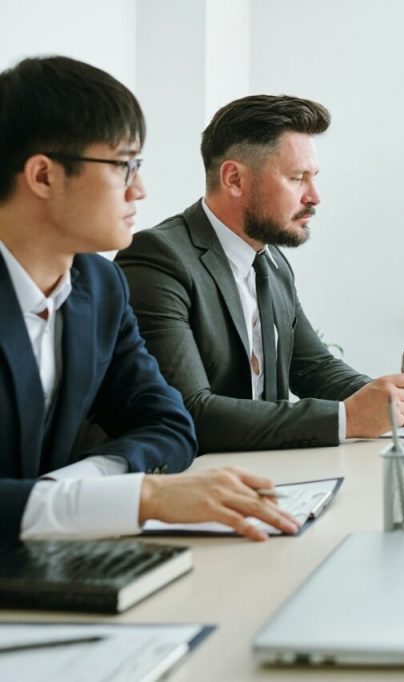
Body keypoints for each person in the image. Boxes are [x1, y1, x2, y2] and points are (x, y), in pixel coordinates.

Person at [0, 56, 298, 543]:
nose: (140, 189)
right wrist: (138, 497)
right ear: (43, 176)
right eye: (124, 166)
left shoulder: (98, 287)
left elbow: (169, 425)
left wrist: (79, 489)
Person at [116, 95, 404, 453]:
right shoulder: (159, 258)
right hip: (195, 484)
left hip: (272, 472)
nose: (314, 196)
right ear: (234, 179)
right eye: (297, 179)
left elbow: (313, 368)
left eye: (313, 178)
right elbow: (189, 411)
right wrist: (346, 419)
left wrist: (386, 398)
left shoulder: (272, 260)